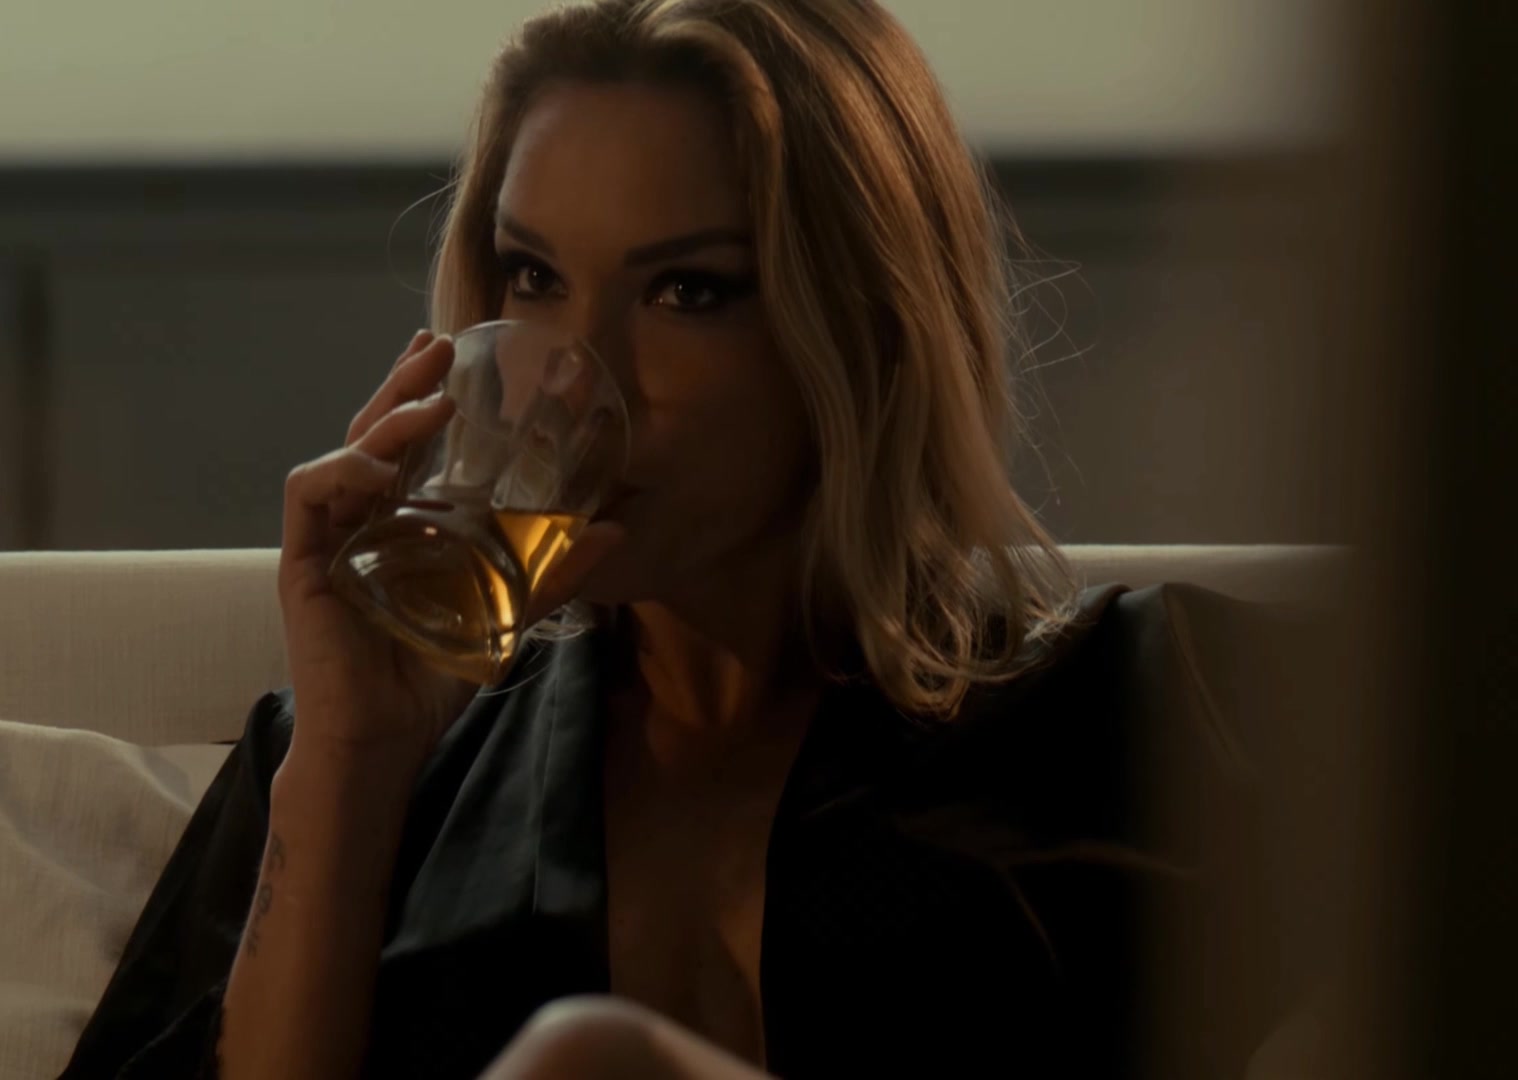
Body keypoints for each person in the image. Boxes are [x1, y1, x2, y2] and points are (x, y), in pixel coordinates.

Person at [59, 1, 1301, 1076]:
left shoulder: (1160, 707)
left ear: (860, 330)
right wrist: (351, 765)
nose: (573, 374)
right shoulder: (340, 763)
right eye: (533, 278)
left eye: (684, 290)